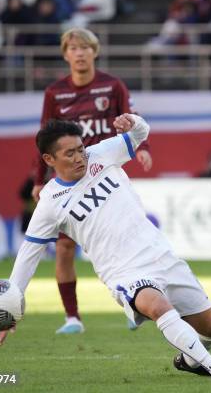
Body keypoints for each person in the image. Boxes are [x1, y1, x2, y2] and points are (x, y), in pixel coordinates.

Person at [0, 116, 211, 383]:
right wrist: (11, 306)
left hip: (161, 255)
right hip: (123, 272)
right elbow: (28, 256)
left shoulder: (102, 154)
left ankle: (190, 361)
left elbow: (142, 133)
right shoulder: (49, 204)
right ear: (49, 159)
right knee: (157, 306)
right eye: (69, 153)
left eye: (80, 150)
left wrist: (133, 121)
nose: (79, 158)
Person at [32, 28, 153, 334]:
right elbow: (45, 140)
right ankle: (72, 317)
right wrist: (38, 180)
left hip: (103, 177)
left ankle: (135, 302)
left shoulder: (112, 86)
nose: (80, 53)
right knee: (62, 249)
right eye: (74, 48)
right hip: (71, 184)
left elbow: (132, 119)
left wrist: (144, 148)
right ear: (65, 54)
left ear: (95, 52)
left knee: (124, 245)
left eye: (86, 47)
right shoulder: (55, 93)